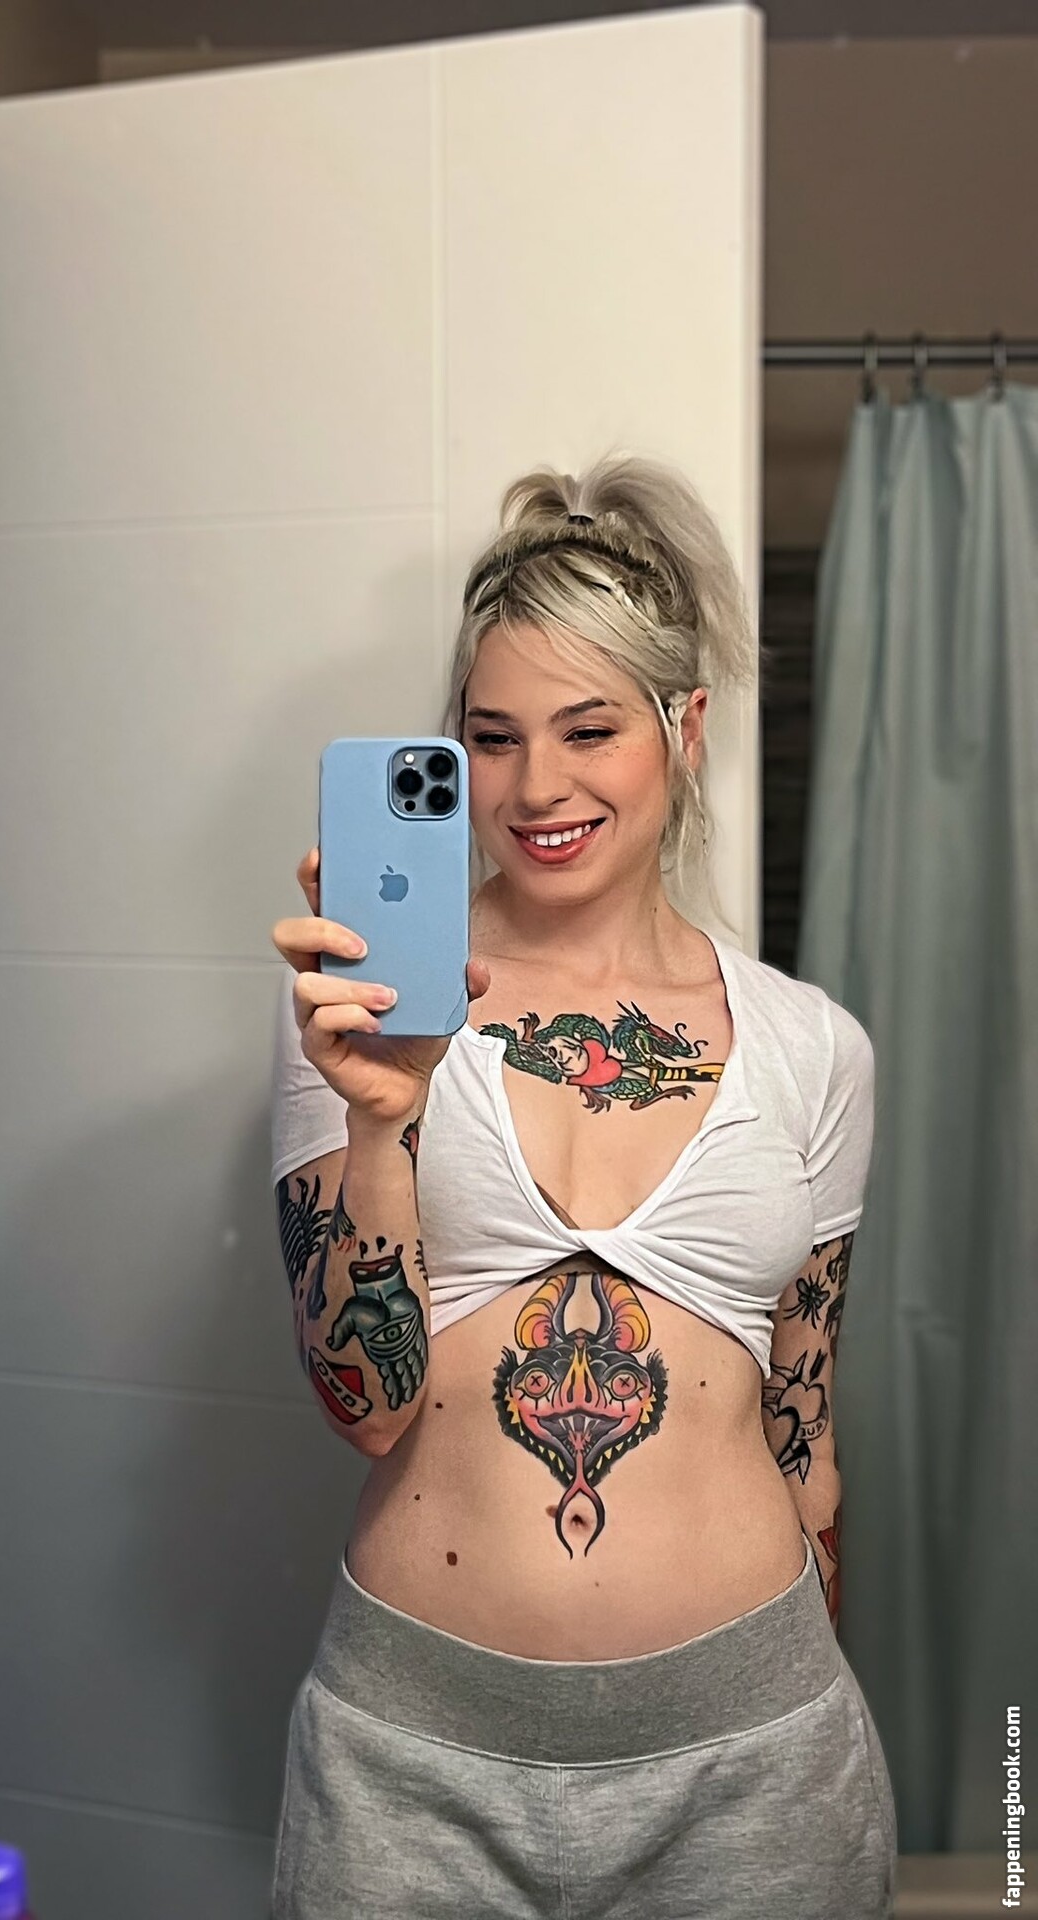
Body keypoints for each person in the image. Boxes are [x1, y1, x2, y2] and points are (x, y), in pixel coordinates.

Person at [266, 454, 898, 1919]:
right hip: (412, 1763)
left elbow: (803, 1434)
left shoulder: (813, 1049)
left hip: (757, 1760)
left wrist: (818, 1707)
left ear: (683, 727)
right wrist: (380, 1120)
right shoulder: (363, 1012)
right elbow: (365, 1411)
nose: (537, 788)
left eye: (588, 728)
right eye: (491, 739)